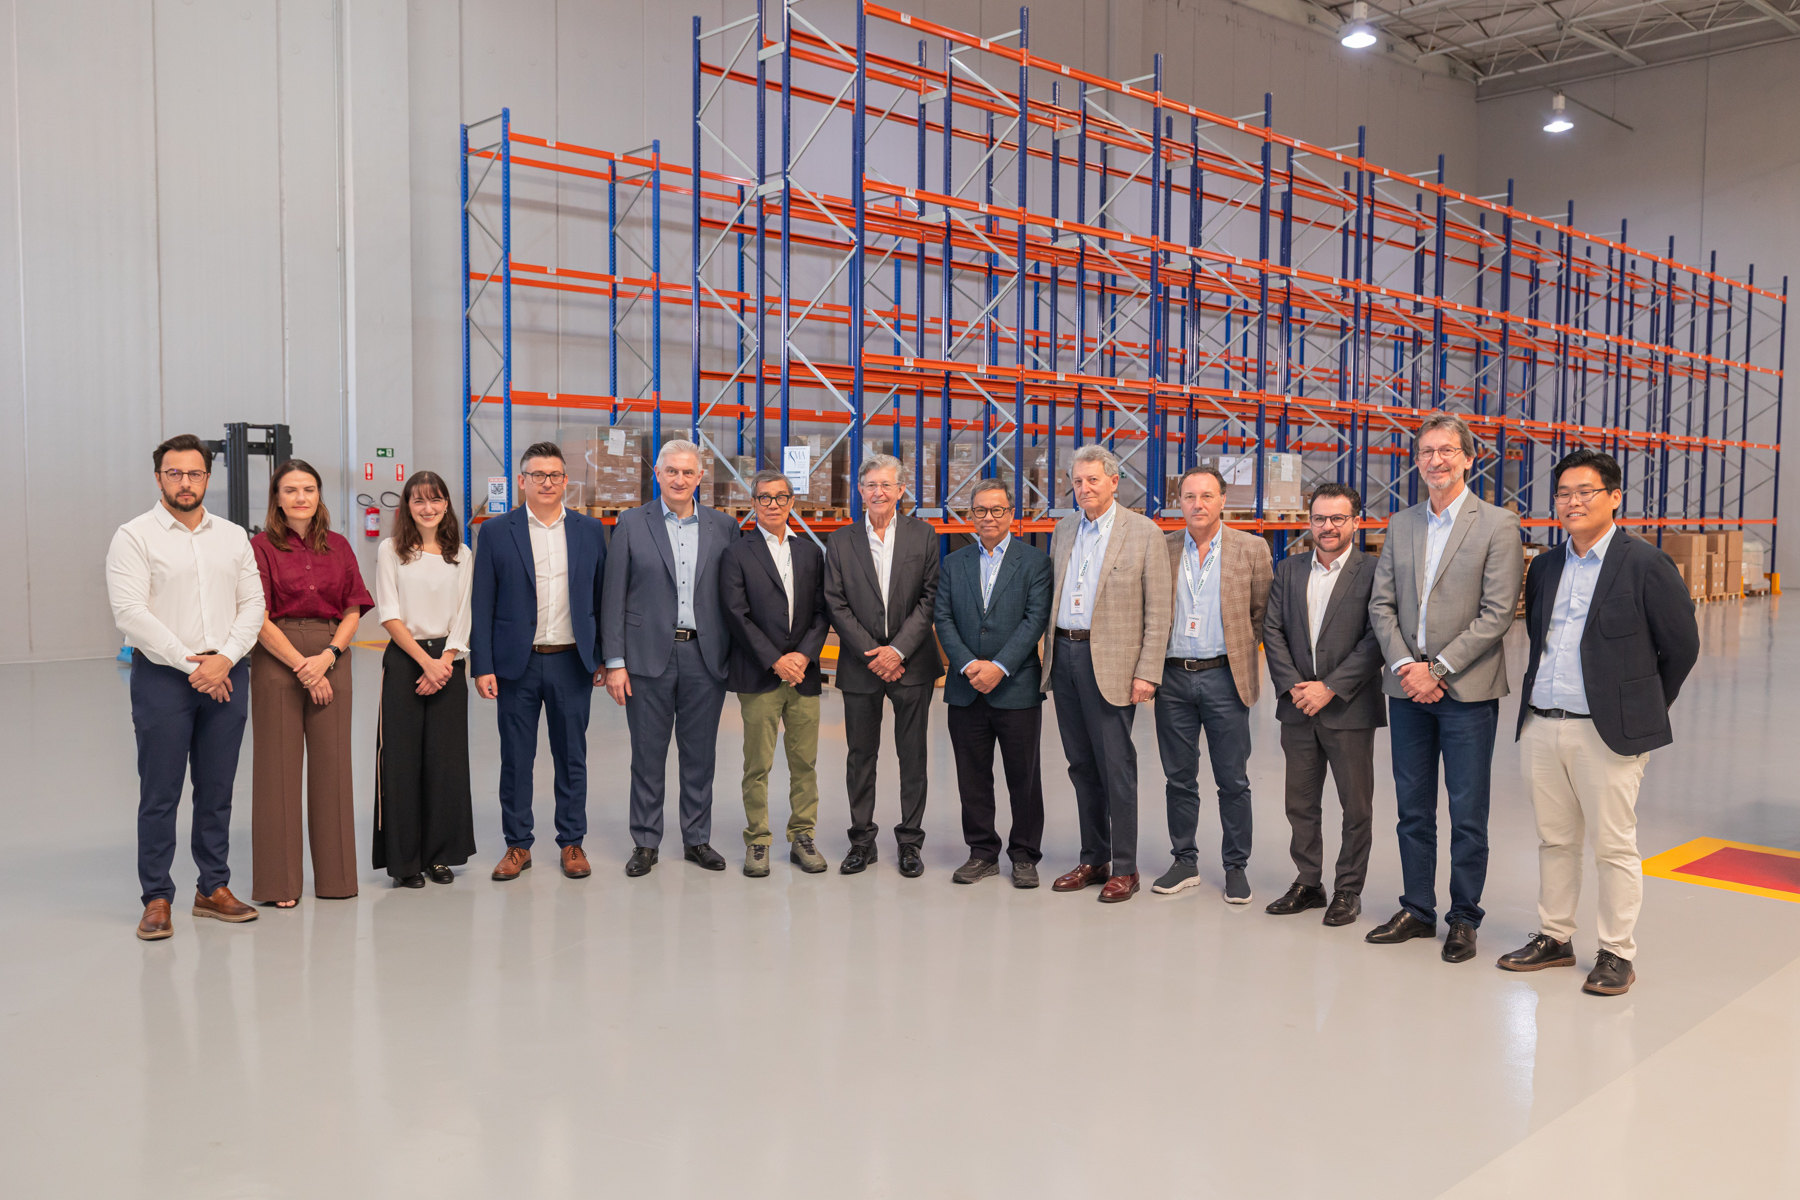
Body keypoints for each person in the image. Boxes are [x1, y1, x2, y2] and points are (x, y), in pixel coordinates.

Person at [1498, 449, 1699, 996]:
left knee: (1614, 846)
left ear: (1614, 497)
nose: (1573, 502)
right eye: (1563, 493)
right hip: (1542, 723)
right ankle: (1555, 937)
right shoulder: (1545, 566)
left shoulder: (1645, 563)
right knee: (1554, 839)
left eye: (1585, 491)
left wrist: (1641, 707)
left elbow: (1682, 646)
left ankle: (1616, 952)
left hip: (1605, 731)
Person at [1366, 412, 1523, 962]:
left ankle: (1463, 917)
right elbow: (1381, 604)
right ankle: (1417, 908)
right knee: (1412, 808)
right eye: (1427, 451)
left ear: (1468, 458)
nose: (1435, 460)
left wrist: (1437, 670)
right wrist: (1408, 667)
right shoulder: (1401, 524)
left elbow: (1497, 613)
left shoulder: (1498, 525)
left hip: (1467, 693)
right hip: (1407, 690)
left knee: (1467, 812)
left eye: (1447, 450)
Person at [107, 434, 265, 939]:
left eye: (194, 473)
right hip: (163, 679)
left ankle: (212, 887)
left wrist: (225, 659)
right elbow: (130, 612)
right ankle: (156, 897)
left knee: (217, 790)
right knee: (160, 793)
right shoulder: (134, 536)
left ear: (207, 478)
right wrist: (194, 665)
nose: (185, 482)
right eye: (174, 473)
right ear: (158, 478)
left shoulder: (232, 536)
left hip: (227, 674)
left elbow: (253, 605)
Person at [471, 442, 608, 882]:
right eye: (537, 475)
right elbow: (482, 603)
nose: (546, 483)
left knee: (572, 757)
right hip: (517, 665)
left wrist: (602, 655)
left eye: (554, 475)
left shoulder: (590, 530)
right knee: (516, 759)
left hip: (572, 663)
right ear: (522, 481)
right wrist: (483, 665)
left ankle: (572, 842)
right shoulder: (496, 532)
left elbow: (602, 598)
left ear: (566, 481)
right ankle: (518, 844)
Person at [602, 439, 739, 877]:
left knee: (700, 755)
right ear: (657, 474)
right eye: (671, 471)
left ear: (700, 477)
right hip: (645, 658)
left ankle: (697, 838)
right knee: (647, 755)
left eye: (688, 472)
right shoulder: (631, 523)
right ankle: (645, 841)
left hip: (705, 656)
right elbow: (613, 596)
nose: (679, 479)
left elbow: (734, 597)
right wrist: (615, 662)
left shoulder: (724, 526)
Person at [1046, 444, 1172, 903]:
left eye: (1093, 480)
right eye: (1078, 481)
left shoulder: (1143, 533)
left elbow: (1159, 609)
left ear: (1114, 482)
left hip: (1115, 664)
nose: (1084, 488)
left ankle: (1125, 866)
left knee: (1115, 766)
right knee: (1081, 765)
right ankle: (1093, 857)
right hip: (1065, 655)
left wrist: (1147, 672)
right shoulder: (1064, 530)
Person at [250, 459, 375, 906]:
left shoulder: (339, 546)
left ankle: (337, 879)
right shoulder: (260, 547)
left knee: (333, 767)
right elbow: (256, 616)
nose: (300, 497)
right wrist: (303, 667)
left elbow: (353, 609)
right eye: (290, 490)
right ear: (277, 498)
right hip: (276, 654)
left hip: (331, 652)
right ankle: (278, 883)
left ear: (319, 495)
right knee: (276, 770)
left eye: (308, 489)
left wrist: (328, 657)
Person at [1261, 482, 1385, 927]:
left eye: (1337, 518)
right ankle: (1308, 882)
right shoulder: (1290, 569)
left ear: (1356, 521)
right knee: (1300, 802)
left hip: (1348, 707)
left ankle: (1348, 889)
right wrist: (1295, 686)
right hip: (1298, 707)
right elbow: (1272, 630)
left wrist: (1329, 687)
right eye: (1319, 518)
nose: (1327, 526)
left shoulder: (1374, 571)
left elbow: (1377, 638)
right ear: (1309, 522)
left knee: (1356, 806)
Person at [1150, 466, 1273, 903]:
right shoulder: (1161, 547)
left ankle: (1236, 867)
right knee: (1179, 778)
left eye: (1207, 496)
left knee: (1232, 780)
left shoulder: (1251, 548)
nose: (1197, 504)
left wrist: (1237, 649)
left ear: (1223, 500)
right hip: (1173, 679)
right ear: (1179, 502)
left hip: (1225, 677)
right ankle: (1184, 861)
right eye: (1189, 496)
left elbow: (1262, 611)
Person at [823, 452, 943, 877]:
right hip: (861, 665)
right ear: (860, 490)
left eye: (886, 485)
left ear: (901, 490)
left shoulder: (923, 535)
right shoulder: (840, 541)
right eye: (871, 485)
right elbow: (835, 602)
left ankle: (910, 842)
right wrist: (873, 653)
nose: (878, 492)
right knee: (861, 756)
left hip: (913, 664)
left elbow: (930, 597)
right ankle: (862, 841)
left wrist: (898, 651)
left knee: (913, 755)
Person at [934, 481, 1054, 888]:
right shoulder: (954, 562)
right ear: (971, 516)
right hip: (965, 689)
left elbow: (1035, 619)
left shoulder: (1035, 562)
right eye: (981, 510)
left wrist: (1000, 666)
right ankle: (982, 852)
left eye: (997, 509)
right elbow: (943, 618)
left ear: (1011, 514)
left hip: (1016, 688)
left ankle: (1024, 855)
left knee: (1024, 778)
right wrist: (969, 665)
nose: (989, 517)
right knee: (972, 777)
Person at [719, 470, 831, 876]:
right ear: (753, 504)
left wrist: (803, 656)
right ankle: (758, 840)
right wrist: (775, 659)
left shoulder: (809, 553)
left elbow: (822, 611)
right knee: (758, 765)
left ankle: (803, 836)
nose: (772, 504)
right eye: (764, 498)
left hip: (803, 676)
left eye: (780, 497)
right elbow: (736, 614)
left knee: (805, 763)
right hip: (759, 675)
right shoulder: (737, 553)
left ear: (791, 502)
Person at [373, 471, 477, 889]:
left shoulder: (461, 555)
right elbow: (389, 614)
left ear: (446, 504)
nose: (428, 508)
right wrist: (425, 663)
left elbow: (465, 613)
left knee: (445, 763)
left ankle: (439, 856)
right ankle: (405, 862)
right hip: (405, 661)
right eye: (419, 500)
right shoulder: (391, 550)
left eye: (435, 500)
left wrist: (445, 662)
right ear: (407, 506)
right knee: (401, 763)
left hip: (449, 662)